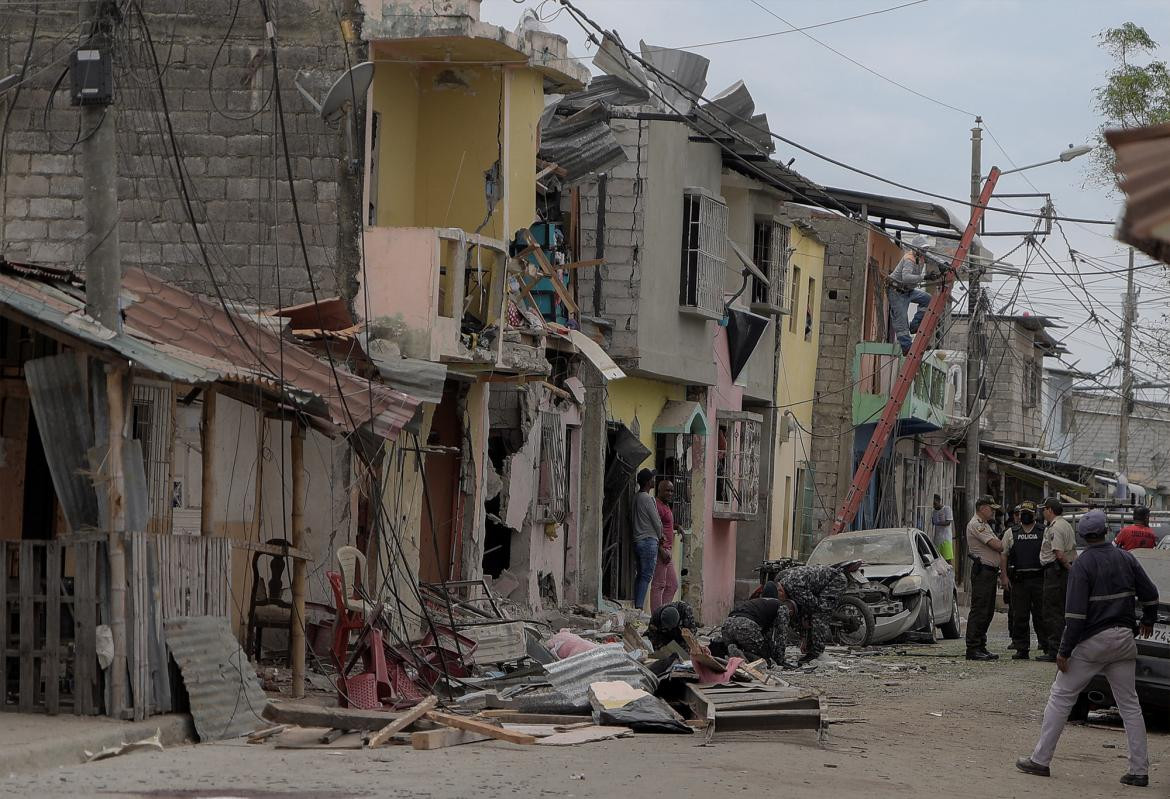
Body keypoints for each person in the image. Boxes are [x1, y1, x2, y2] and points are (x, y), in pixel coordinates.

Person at [1015, 509, 1159, 788]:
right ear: (1106, 532)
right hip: (1123, 641)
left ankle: (1040, 760)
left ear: (1083, 536)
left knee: (1061, 696)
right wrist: (1149, 620)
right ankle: (1139, 771)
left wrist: (1064, 651)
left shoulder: (1082, 565)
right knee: (1130, 705)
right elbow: (1150, 594)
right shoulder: (1126, 558)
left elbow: (1076, 616)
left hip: (1092, 642)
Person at [1000, 501, 1046, 660]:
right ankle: (1021, 648)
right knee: (1020, 615)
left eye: (1029, 512)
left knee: (1042, 614)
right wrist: (1004, 576)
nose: (1025, 515)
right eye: (1022, 512)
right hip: (1019, 580)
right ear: (1018, 515)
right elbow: (1004, 555)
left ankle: (1046, 645)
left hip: (1039, 579)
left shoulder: (1043, 531)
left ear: (1035, 514)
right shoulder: (1010, 532)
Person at [777, 563, 848, 662]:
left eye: (781, 598)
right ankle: (811, 647)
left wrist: (806, 620)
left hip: (835, 581)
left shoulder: (792, 586)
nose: (783, 600)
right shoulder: (786, 581)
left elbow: (813, 604)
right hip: (823, 582)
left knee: (820, 613)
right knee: (813, 612)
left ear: (780, 591)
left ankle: (816, 652)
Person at [1036, 497, 1077, 663]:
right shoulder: (1065, 524)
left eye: (1044, 509)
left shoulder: (1056, 527)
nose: (1043, 513)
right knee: (1059, 611)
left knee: (1052, 612)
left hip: (1056, 572)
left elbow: (1059, 554)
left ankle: (1055, 650)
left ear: (1050, 510)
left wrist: (1070, 569)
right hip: (1059, 572)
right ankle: (1061, 648)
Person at [965, 495, 1003, 661]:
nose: (993, 511)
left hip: (990, 572)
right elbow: (997, 545)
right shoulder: (976, 525)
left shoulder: (985, 525)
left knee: (987, 611)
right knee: (980, 610)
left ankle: (981, 645)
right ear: (982, 508)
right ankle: (973, 648)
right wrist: (1008, 540)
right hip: (983, 572)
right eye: (991, 508)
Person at [720, 582, 791, 666]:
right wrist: (780, 660)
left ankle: (733, 651)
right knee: (765, 659)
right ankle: (743, 655)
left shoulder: (756, 602)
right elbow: (781, 636)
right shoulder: (781, 606)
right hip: (745, 626)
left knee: (748, 644)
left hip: (727, 624)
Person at [887, 234, 933, 355]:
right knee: (901, 318)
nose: (925, 252)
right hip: (897, 291)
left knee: (927, 299)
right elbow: (906, 277)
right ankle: (906, 347)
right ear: (916, 249)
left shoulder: (922, 257)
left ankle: (915, 324)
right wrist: (924, 277)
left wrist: (944, 266)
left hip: (908, 291)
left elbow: (935, 259)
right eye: (923, 249)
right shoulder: (909, 258)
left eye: (925, 249)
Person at [631, 468, 661, 614]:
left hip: (638, 540)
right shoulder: (647, 499)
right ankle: (639, 608)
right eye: (652, 479)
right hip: (649, 540)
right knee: (646, 576)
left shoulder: (636, 497)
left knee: (640, 575)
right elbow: (656, 521)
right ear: (648, 482)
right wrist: (661, 536)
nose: (654, 481)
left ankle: (636, 605)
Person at [650, 478, 679, 612]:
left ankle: (662, 614)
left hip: (667, 551)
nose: (670, 493)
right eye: (667, 490)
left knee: (672, 585)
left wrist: (679, 527)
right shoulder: (657, 505)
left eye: (672, 491)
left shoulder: (666, 506)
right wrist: (660, 549)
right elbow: (653, 528)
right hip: (661, 550)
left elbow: (667, 524)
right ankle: (656, 618)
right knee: (659, 585)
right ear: (659, 490)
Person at [931, 494, 955, 566]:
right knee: (938, 560)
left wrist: (937, 523)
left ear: (939, 501)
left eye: (935, 503)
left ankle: (950, 575)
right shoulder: (934, 512)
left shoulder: (946, 509)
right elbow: (933, 522)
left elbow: (948, 522)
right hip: (937, 539)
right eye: (933, 504)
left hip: (946, 539)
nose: (934, 506)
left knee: (947, 560)